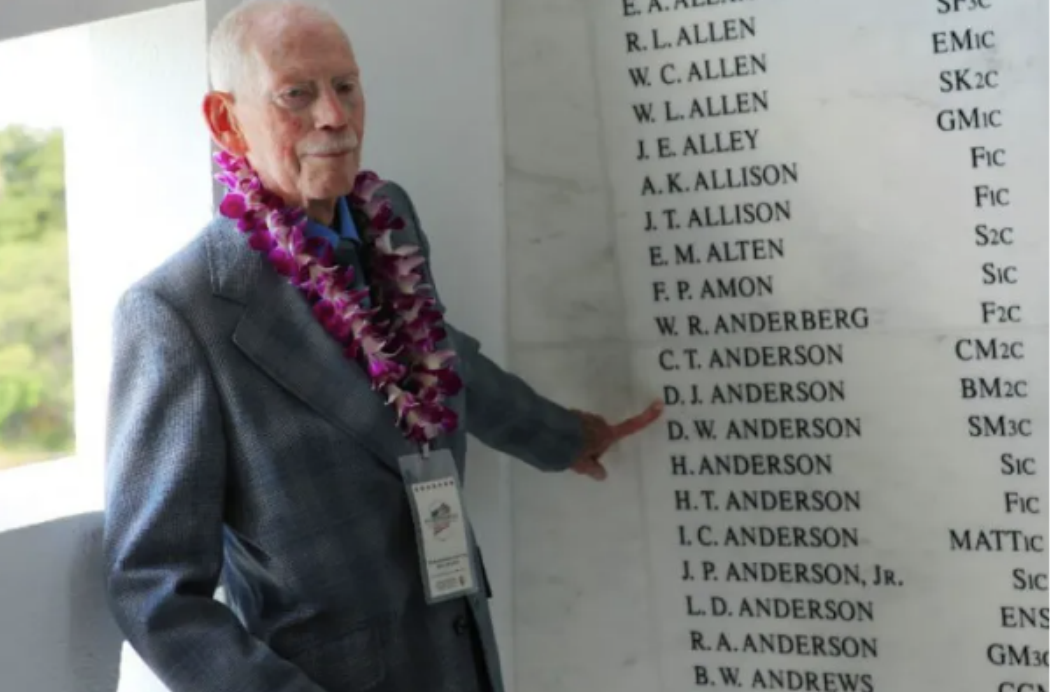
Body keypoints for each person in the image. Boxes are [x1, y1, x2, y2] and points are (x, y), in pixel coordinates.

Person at [102, 1, 662, 691]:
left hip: (462, 655)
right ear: (225, 120)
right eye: (296, 95)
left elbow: (435, 356)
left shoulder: (389, 220)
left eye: (346, 86)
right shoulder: (177, 315)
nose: (334, 116)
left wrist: (562, 436)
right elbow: (155, 591)